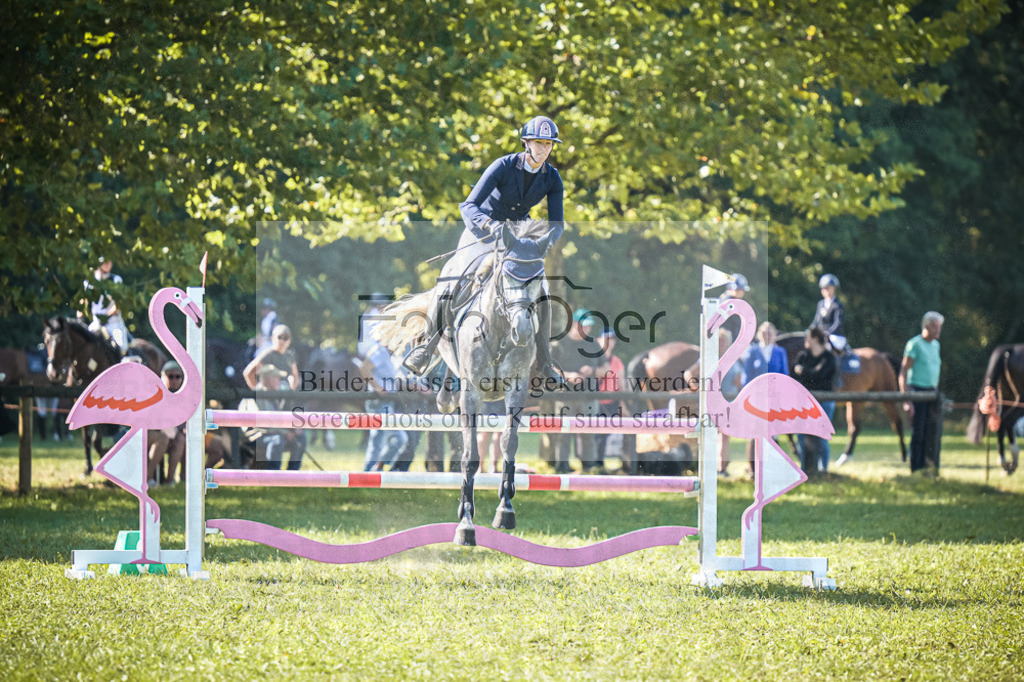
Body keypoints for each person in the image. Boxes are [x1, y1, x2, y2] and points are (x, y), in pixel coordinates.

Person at [402, 115, 565, 383]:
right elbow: (468, 206)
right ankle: (427, 348)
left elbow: (557, 223)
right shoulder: (503, 166)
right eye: (539, 142)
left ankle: (546, 362)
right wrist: (489, 226)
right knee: (457, 277)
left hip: (515, 237)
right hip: (483, 231)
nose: (544, 148)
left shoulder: (552, 178)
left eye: (548, 144)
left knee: (543, 289)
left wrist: (546, 241)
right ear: (526, 143)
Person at [358, 293, 409, 471]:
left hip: (385, 400)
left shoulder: (384, 352)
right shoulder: (379, 350)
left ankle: (371, 470)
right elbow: (364, 369)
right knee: (397, 438)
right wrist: (378, 387)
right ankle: (374, 468)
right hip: (380, 400)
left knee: (377, 437)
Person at [552, 309, 602, 473]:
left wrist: (592, 371)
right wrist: (568, 376)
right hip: (564, 396)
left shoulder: (593, 343)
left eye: (589, 327)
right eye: (584, 326)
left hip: (588, 396)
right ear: (574, 324)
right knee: (563, 434)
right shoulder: (559, 344)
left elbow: (606, 367)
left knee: (588, 434)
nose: (587, 330)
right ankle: (562, 467)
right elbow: (550, 368)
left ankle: (588, 467)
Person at [900, 311, 944, 474]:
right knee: (918, 433)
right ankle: (916, 468)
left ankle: (930, 468)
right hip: (917, 391)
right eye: (935, 327)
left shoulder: (936, 345)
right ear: (926, 326)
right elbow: (903, 372)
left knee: (931, 432)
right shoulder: (914, 344)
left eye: (939, 327)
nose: (938, 330)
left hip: (932, 393)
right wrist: (907, 400)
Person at [742, 321, 788, 476]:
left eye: (770, 332)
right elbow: (747, 376)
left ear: (774, 335)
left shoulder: (780, 352)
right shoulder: (753, 352)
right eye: (764, 332)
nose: (767, 335)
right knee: (755, 433)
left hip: (774, 400)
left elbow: (784, 375)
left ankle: (772, 468)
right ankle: (753, 469)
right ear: (758, 334)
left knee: (773, 434)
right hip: (756, 400)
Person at [239, 365, 306, 470]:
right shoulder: (257, 394)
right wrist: (284, 433)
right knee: (277, 440)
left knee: (301, 438)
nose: (279, 380)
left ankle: (292, 473)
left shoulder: (272, 393)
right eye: (276, 377)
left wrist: (293, 430)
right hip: (253, 436)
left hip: (271, 432)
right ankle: (273, 474)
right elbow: (262, 424)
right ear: (266, 379)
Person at [791, 327, 837, 475]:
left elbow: (820, 374)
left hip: (825, 402)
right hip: (804, 403)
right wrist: (807, 373)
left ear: (815, 339)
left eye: (808, 337)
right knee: (801, 434)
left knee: (822, 435)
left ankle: (824, 468)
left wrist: (804, 372)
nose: (806, 340)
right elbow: (794, 372)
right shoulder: (803, 355)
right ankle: (805, 467)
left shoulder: (828, 358)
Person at [82, 257, 129, 351]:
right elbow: (83, 302)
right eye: (105, 262)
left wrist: (105, 317)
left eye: (109, 261)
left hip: (113, 323)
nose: (108, 264)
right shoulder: (88, 282)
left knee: (122, 349)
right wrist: (80, 319)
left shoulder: (116, 280)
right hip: (96, 324)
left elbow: (118, 305)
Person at [594, 327, 625, 470]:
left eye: (612, 340)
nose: (610, 342)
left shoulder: (616, 361)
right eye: (607, 339)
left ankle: (599, 463)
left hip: (612, 402)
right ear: (599, 340)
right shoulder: (593, 358)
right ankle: (593, 463)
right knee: (595, 435)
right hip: (596, 402)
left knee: (605, 434)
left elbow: (621, 384)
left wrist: (624, 401)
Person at [243, 324, 299, 391]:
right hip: (267, 396)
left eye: (286, 337)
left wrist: (292, 389)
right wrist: (257, 391)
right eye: (280, 337)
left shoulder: (289, 356)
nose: (282, 341)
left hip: (282, 395)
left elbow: (295, 375)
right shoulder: (267, 354)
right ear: (273, 338)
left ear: (290, 340)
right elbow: (248, 373)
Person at [812, 274, 847, 353]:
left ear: (833, 289)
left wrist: (827, 332)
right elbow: (816, 321)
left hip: (835, 336)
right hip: (822, 336)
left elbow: (838, 323)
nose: (827, 291)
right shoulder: (820, 304)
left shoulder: (838, 305)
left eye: (829, 288)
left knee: (827, 349)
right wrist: (809, 331)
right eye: (824, 289)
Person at [720, 273, 750, 344]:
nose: (741, 292)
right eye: (738, 289)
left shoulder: (738, 302)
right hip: (727, 341)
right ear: (730, 288)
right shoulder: (727, 302)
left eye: (742, 290)